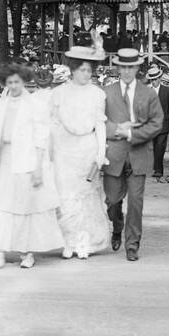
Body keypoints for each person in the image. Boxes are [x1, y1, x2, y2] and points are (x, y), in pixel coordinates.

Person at [0, 62, 64, 269]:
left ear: (24, 81)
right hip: (3, 161)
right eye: (10, 82)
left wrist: (38, 169)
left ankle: (27, 251)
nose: (14, 86)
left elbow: (41, 137)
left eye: (17, 82)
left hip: (26, 161)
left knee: (25, 207)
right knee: (0, 206)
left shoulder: (35, 105)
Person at [101, 47, 165, 261]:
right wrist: (117, 130)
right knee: (112, 201)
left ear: (137, 67)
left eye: (131, 67)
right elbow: (98, 119)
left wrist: (131, 132)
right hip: (114, 153)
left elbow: (157, 123)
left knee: (136, 202)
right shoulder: (106, 92)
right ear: (118, 68)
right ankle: (117, 227)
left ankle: (132, 244)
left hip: (139, 154)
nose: (127, 71)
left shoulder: (148, 93)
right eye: (123, 67)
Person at [49, 47, 111, 260]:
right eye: (82, 70)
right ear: (73, 70)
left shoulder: (97, 94)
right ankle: (68, 241)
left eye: (89, 70)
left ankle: (84, 242)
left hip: (86, 148)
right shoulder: (59, 93)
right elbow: (53, 124)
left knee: (85, 199)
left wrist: (101, 153)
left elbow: (100, 125)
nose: (86, 74)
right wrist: (50, 153)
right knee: (65, 198)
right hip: (63, 149)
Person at [149, 67, 169, 182]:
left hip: (164, 124)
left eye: (155, 79)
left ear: (159, 78)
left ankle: (159, 170)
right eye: (152, 79)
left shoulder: (167, 91)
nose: (154, 81)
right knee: (152, 147)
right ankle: (154, 167)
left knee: (160, 147)